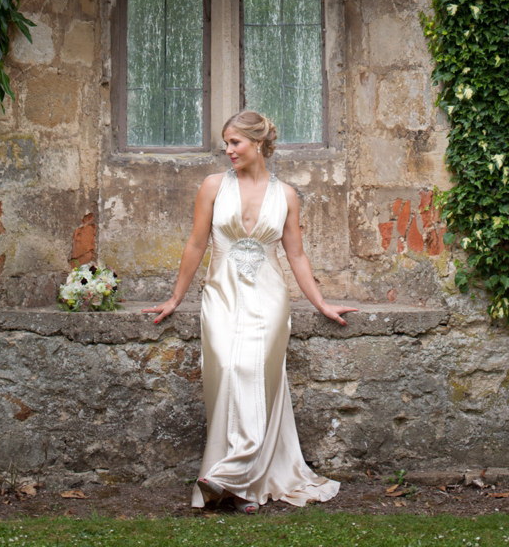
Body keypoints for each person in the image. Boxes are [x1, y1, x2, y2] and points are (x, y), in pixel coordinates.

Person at [144, 109, 357, 512]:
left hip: (268, 298)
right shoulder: (211, 187)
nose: (228, 150)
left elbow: (295, 255)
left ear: (257, 144)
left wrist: (322, 303)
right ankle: (234, 478)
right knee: (225, 369)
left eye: (235, 142)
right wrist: (175, 298)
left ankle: (238, 482)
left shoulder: (287, 195)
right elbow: (195, 245)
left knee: (255, 374)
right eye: (226, 143)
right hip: (221, 295)